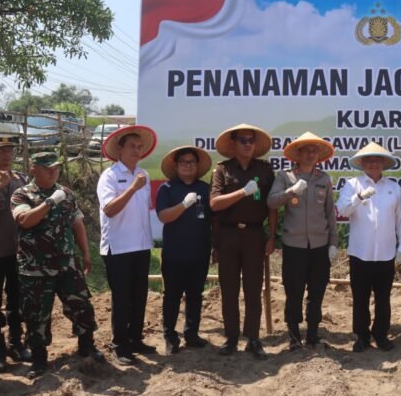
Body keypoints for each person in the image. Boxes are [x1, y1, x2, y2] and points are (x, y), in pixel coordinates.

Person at [11, 152, 103, 378]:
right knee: (36, 314)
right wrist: (49, 202)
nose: (54, 173)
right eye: (48, 169)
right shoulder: (22, 195)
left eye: (57, 169)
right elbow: (25, 220)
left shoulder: (66, 193)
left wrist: (85, 253)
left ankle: (86, 346)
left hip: (67, 264)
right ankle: (39, 359)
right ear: (34, 169)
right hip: (36, 268)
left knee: (81, 305)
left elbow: (77, 223)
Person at [210, 124, 277, 358]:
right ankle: (230, 338)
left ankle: (253, 338)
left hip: (255, 235)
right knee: (229, 289)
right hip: (228, 235)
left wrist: (272, 236)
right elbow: (215, 204)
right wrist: (242, 192)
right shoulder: (222, 170)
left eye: (251, 140)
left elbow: (272, 205)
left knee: (253, 288)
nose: (248, 144)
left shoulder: (266, 170)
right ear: (233, 144)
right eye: (243, 140)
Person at [267, 132, 337, 349]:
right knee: (294, 291)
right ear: (297, 154)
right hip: (294, 246)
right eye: (306, 150)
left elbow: (330, 213)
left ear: (319, 155)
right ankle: (294, 336)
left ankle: (313, 334)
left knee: (317, 291)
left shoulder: (323, 179)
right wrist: (290, 191)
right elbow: (271, 202)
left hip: (319, 246)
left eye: (314, 150)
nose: (310, 154)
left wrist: (333, 242)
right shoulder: (285, 176)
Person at [336, 142, 401, 352]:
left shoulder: (393, 188)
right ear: (363, 163)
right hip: (360, 253)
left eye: (378, 160)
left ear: (384, 163)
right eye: (369, 160)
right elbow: (342, 209)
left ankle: (381, 334)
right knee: (360, 298)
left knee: (383, 298)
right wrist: (359, 198)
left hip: (386, 254)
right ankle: (361, 336)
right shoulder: (352, 185)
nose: (374, 163)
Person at [97, 125, 158, 365]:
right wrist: (132, 188)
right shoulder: (110, 176)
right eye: (131, 146)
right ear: (119, 149)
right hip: (118, 247)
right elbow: (110, 209)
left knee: (139, 296)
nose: (136, 150)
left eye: (139, 146)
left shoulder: (143, 173)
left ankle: (135, 339)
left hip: (141, 245)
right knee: (122, 298)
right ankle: (119, 344)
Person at [156, 146, 213, 354]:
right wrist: (183, 204)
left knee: (195, 294)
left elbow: (212, 219)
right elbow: (163, 216)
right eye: (184, 162)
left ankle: (191, 334)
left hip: (200, 251)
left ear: (197, 166)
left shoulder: (206, 189)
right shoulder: (167, 189)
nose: (188, 165)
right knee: (172, 294)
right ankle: (170, 336)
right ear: (176, 166)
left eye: (192, 162)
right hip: (174, 253)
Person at [0, 134, 31, 372]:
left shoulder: (21, 180)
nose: (7, 156)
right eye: (2, 151)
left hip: (18, 252)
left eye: (10, 151)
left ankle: (16, 344)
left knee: (17, 302)